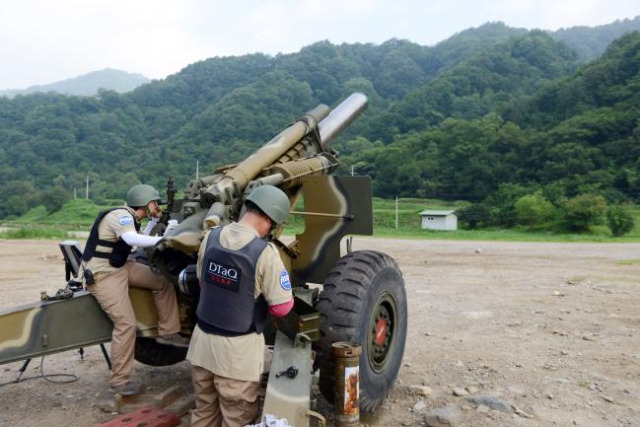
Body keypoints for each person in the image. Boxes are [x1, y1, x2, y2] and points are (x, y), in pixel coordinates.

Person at [187, 185, 295, 427]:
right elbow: (281, 308)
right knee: (237, 417)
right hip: (236, 354)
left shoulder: (211, 237)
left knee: (204, 411)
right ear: (268, 220)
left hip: (202, 344)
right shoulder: (265, 253)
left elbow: (204, 282)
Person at [82, 184, 189, 396]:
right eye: (155, 202)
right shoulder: (120, 216)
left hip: (120, 267)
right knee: (126, 324)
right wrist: (166, 239)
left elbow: (137, 241)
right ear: (146, 203)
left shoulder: (131, 218)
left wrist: (156, 222)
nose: (157, 205)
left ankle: (169, 332)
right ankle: (120, 381)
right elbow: (132, 239)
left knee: (162, 281)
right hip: (104, 275)